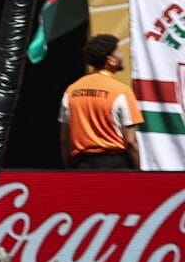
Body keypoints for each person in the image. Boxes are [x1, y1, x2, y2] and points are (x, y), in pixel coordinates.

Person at [59, 34, 143, 170]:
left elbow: (64, 139)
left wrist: (69, 169)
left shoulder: (71, 90)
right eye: (119, 51)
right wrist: (139, 173)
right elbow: (131, 141)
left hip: (82, 166)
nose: (122, 55)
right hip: (115, 166)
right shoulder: (121, 91)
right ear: (111, 60)